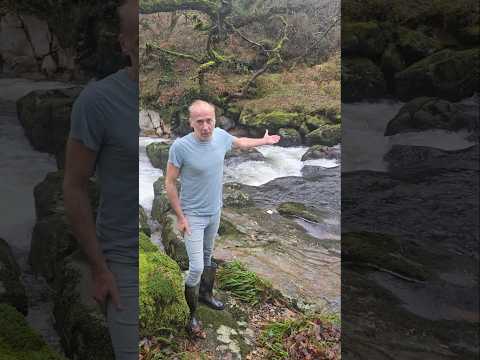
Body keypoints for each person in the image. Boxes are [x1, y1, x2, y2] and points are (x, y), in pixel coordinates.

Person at [165, 100, 281, 336]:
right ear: (191, 123)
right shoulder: (180, 147)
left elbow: (241, 142)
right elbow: (169, 183)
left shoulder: (220, 136)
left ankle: (206, 295)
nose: (206, 126)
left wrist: (264, 140)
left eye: (209, 120)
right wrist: (180, 217)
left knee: (208, 257)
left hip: (214, 211)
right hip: (193, 216)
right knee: (196, 267)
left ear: (215, 120)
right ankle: (191, 314)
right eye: (200, 122)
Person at [63, 0, 139, 358]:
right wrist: (99, 268)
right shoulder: (97, 102)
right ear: (125, 43)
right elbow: (74, 186)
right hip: (123, 260)